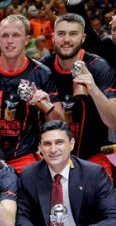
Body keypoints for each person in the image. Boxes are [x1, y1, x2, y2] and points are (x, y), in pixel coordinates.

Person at [0, 14, 64, 174]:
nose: (9, 40)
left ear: (27, 39)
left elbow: (61, 125)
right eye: (5, 35)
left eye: (15, 35)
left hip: (24, 156)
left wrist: (46, 106)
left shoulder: (42, 74)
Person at [39, 14, 116, 179]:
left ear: (83, 38)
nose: (66, 39)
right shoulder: (42, 68)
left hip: (95, 155)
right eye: (61, 34)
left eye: (73, 34)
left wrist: (93, 88)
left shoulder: (100, 67)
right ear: (53, 37)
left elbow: (114, 122)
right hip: (53, 156)